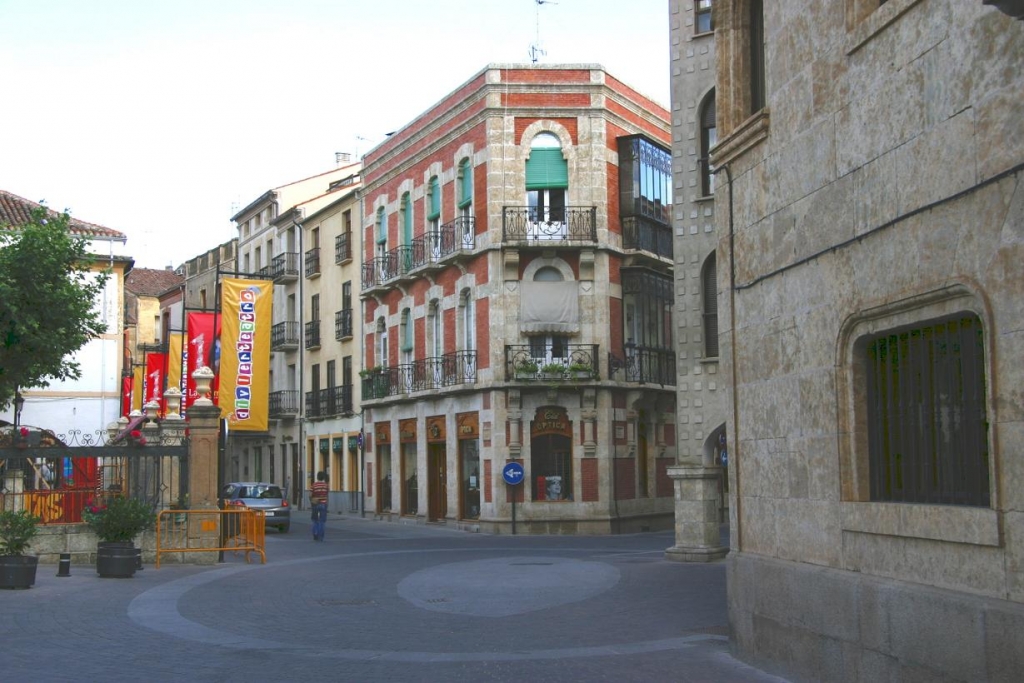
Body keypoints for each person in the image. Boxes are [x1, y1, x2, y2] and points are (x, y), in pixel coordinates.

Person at [311, 471, 328, 541]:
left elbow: (310, 495)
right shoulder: (326, 485)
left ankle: (315, 533)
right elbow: (327, 495)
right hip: (323, 504)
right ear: (323, 477)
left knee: (315, 520)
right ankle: (321, 537)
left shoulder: (314, 485)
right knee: (322, 521)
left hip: (315, 504)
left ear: (317, 477)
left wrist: (312, 501)